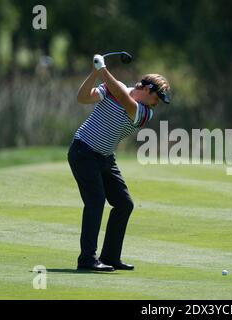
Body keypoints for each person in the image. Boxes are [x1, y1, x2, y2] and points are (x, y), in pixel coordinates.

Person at [68, 54, 171, 271]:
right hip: (83, 151)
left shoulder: (144, 113)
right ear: (148, 89)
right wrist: (95, 73)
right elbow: (82, 97)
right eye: (157, 98)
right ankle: (87, 259)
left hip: (105, 158)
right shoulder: (114, 88)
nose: (157, 104)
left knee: (124, 204)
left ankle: (110, 257)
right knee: (95, 202)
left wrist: (103, 70)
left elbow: (124, 99)